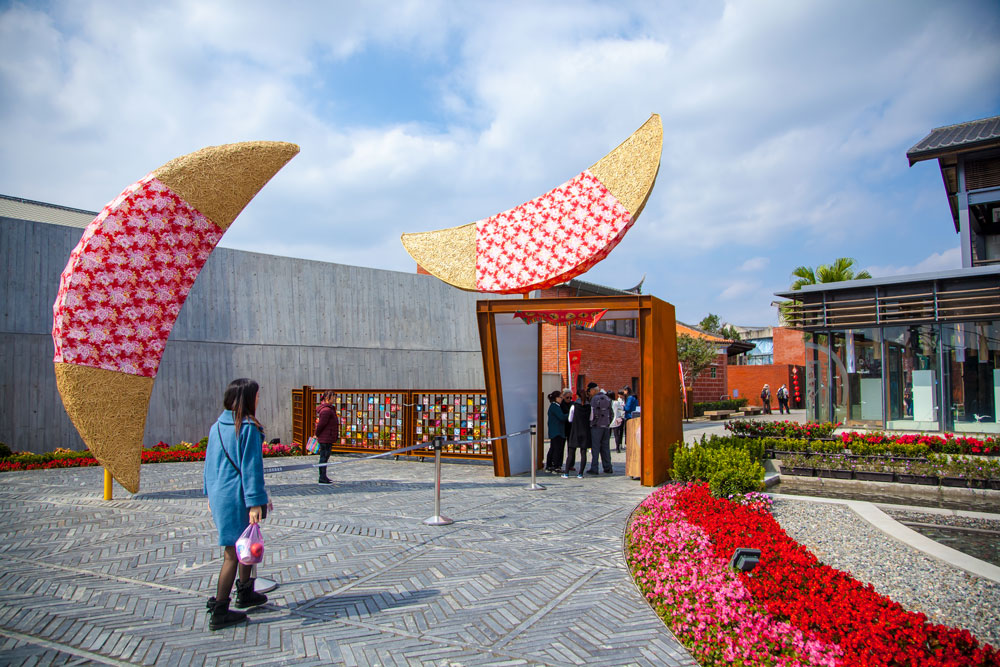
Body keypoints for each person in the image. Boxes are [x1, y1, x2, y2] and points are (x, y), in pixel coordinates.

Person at [203, 378, 271, 631]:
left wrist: (209, 493)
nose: (258, 400)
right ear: (247, 398)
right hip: (238, 495)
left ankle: (245, 593)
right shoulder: (247, 428)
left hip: (220, 494)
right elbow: (251, 468)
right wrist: (255, 502)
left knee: (246, 544)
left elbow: (209, 464)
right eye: (256, 395)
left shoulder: (217, 426)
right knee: (233, 552)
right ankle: (220, 609)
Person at [563, 391, 591, 479]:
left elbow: (570, 419)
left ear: (577, 396)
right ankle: (580, 474)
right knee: (583, 453)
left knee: (571, 452)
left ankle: (566, 473)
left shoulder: (574, 406)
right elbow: (591, 418)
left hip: (575, 430)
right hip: (585, 431)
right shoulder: (589, 406)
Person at [314, 391, 340, 484]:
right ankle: (322, 477)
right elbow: (321, 424)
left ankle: (324, 476)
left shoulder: (330, 409)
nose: (335, 399)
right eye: (333, 397)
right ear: (327, 398)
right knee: (323, 457)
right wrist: (316, 434)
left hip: (328, 437)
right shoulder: (326, 410)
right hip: (325, 438)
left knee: (325, 457)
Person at [588, 383, 613, 474]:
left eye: (590, 391)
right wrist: (608, 422)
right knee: (605, 447)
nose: (590, 393)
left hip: (596, 427)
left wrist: (592, 423)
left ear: (594, 390)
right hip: (606, 426)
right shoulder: (607, 398)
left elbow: (593, 413)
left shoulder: (594, 399)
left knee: (595, 448)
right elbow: (611, 413)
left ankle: (594, 468)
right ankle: (608, 467)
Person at [545, 390, 568, 473]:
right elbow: (561, 417)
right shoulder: (555, 406)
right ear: (556, 398)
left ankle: (550, 465)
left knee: (553, 448)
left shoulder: (556, 406)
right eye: (560, 397)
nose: (562, 399)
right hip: (557, 431)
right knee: (556, 449)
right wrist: (569, 415)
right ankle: (555, 465)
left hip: (556, 430)